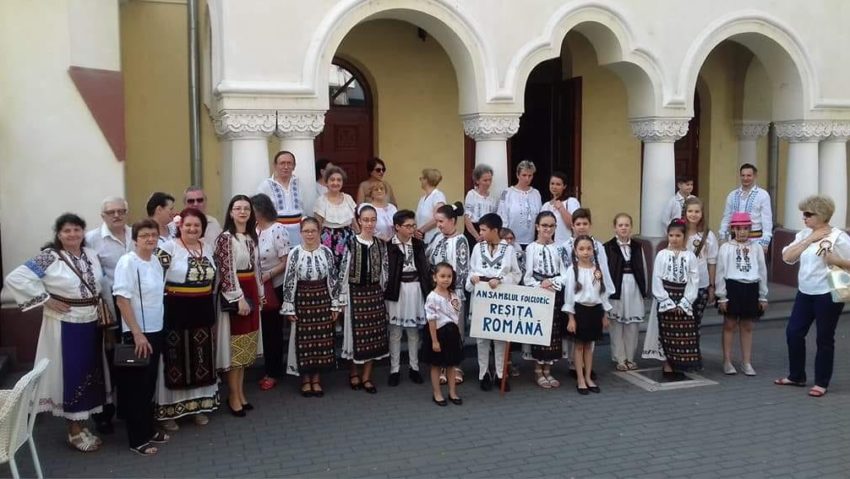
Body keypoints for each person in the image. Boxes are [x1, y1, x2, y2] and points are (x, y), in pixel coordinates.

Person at [4, 213, 108, 452]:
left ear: (83, 232)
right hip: (65, 324)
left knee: (88, 372)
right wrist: (45, 300)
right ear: (58, 235)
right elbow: (15, 278)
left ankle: (81, 425)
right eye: (66, 231)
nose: (72, 234)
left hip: (91, 321)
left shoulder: (90, 254)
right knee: (71, 373)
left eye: (76, 230)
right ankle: (72, 431)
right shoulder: (50, 257)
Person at [776, 195, 850, 398]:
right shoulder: (803, 234)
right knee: (794, 333)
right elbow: (787, 257)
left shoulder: (839, 237)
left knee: (824, 338)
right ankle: (796, 376)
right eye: (803, 214)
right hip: (805, 292)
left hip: (827, 293)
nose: (804, 218)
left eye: (808, 214)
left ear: (822, 215)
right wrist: (810, 238)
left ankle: (821, 382)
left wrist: (837, 260)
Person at [155, 208, 220, 431]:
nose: (192, 229)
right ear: (180, 226)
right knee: (176, 359)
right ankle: (170, 412)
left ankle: (198, 407)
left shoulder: (208, 248)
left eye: (197, 226)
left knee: (200, 358)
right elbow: (155, 278)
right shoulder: (168, 248)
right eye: (188, 225)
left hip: (202, 310)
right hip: (176, 310)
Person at [112, 219, 168, 456]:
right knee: (136, 387)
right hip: (138, 334)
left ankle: (148, 428)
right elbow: (121, 299)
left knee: (149, 385)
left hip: (156, 330)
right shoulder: (127, 262)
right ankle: (137, 439)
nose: (150, 239)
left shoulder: (154, 260)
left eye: (153, 235)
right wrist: (136, 333)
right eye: (144, 235)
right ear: (135, 239)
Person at [85, 196, 132, 434]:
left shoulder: (135, 235)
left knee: (130, 359)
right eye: (111, 212)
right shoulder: (92, 239)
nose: (116, 215)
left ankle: (126, 407)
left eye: (121, 210)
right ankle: (105, 414)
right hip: (107, 310)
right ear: (102, 216)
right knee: (107, 363)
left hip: (133, 309)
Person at [214, 195, 264, 416]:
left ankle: (241, 393)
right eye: (238, 208)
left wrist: (260, 293)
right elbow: (226, 272)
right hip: (238, 294)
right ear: (231, 212)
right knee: (236, 348)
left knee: (245, 348)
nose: (242, 212)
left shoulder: (251, 237)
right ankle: (233, 396)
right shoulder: (226, 239)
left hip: (250, 289)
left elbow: (257, 268)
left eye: (246, 208)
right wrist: (239, 298)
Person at [282, 217, 342, 397]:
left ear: (319, 232)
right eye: (306, 231)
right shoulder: (295, 253)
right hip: (303, 300)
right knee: (304, 341)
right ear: (300, 233)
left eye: (313, 231)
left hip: (322, 299)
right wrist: (289, 306)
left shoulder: (327, 252)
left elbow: (333, 278)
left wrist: (335, 304)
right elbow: (289, 279)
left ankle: (316, 379)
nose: (310, 234)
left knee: (321, 341)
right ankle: (305, 379)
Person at [466, 213, 522, 391]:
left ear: (495, 230)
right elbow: (470, 270)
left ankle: (500, 374)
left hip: (500, 298)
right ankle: (483, 373)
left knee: (499, 337)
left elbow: (516, 274)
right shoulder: (478, 248)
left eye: (483, 229)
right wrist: (473, 279)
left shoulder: (509, 249)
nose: (480, 233)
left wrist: (501, 280)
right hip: (481, 297)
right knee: (482, 339)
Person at [339, 204, 389, 394]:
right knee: (354, 335)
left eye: (372, 220)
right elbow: (344, 271)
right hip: (355, 292)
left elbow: (384, 271)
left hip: (374, 293)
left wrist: (382, 294)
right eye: (366, 220)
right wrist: (342, 298)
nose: (369, 223)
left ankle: (367, 376)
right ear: (359, 221)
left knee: (373, 337)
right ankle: (354, 373)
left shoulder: (380, 244)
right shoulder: (351, 243)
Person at [642, 219, 701, 378]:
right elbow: (657, 278)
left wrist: (684, 303)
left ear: (685, 236)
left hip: (683, 297)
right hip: (666, 297)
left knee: (681, 334)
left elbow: (693, 280)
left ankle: (679, 364)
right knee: (665, 333)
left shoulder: (690, 256)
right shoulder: (662, 255)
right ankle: (667, 365)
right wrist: (666, 301)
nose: (674, 239)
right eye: (671, 235)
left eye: (678, 235)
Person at [716, 212, 768, 376]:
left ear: (750, 229)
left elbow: (762, 271)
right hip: (733, 287)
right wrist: (722, 295)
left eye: (746, 228)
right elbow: (720, 272)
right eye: (739, 228)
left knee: (747, 326)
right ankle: (727, 361)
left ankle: (746, 362)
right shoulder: (726, 248)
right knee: (729, 324)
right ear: (733, 229)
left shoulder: (756, 247)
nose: (742, 232)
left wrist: (763, 295)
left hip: (751, 287)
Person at [522, 211, 569, 389]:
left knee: (553, 333)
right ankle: (538, 370)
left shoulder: (561, 248)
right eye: (544, 226)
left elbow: (565, 274)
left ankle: (548, 370)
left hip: (555, 293)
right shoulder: (531, 248)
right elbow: (527, 277)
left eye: (551, 226)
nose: (548, 229)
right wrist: (540, 285)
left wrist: (554, 282)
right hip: (538, 294)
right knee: (539, 331)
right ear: (537, 227)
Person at [425, 202, 470, 384]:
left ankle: (456, 366)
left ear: (452, 221)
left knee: (455, 330)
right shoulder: (437, 237)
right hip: (437, 292)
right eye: (437, 221)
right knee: (440, 330)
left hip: (453, 293)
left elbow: (462, 268)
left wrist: (450, 292)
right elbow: (429, 257)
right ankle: (442, 365)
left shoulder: (460, 240)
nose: (439, 225)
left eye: (442, 221)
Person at [385, 209, 431, 387]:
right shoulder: (389, 246)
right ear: (397, 227)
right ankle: (394, 369)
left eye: (413, 225)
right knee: (395, 331)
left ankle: (414, 367)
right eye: (408, 226)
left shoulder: (419, 245)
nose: (412, 229)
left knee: (413, 332)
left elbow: (425, 268)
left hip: (415, 289)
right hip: (397, 290)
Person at [251, 193, 291, 391]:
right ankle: (268, 367)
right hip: (258, 285)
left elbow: (285, 261)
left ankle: (273, 371)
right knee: (264, 329)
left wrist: (268, 275)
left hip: (275, 286)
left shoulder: (278, 229)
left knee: (273, 331)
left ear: (261, 210)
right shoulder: (253, 230)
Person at [563, 235, 612, 394]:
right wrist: (571, 317)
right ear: (575, 251)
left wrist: (604, 314)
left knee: (590, 347)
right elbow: (569, 294)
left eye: (589, 248)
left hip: (595, 310)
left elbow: (602, 292)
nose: (585, 252)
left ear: (593, 250)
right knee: (579, 346)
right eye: (581, 249)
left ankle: (588, 376)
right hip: (580, 311)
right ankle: (580, 379)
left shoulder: (597, 270)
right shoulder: (573, 270)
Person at [603, 213, 648, 371]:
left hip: (633, 288)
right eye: (620, 225)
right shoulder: (607, 247)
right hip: (617, 289)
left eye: (626, 225)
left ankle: (630, 357)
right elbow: (605, 271)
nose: (623, 228)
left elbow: (643, 268)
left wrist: (644, 289)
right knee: (617, 325)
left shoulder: (637, 247)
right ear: (615, 227)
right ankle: (619, 358)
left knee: (632, 326)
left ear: (631, 227)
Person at [422, 263, 464, 406]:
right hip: (438, 334)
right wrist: (434, 341)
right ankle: (437, 393)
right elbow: (432, 320)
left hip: (451, 334)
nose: (446, 279)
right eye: (442, 276)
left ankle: (452, 392)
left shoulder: (453, 295)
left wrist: (458, 334)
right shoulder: (432, 297)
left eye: (449, 276)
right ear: (435, 278)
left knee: (451, 365)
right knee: (436, 365)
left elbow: (456, 317)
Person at [719, 163, 773, 252]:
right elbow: (726, 217)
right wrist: (722, 237)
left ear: (755, 176)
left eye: (749, 175)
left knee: (753, 266)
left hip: (755, 240)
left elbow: (767, 221)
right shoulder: (732, 195)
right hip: (734, 240)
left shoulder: (763, 195)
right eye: (743, 175)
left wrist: (765, 242)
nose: (745, 178)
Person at [314, 165, 357, 271]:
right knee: (331, 270)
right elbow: (318, 226)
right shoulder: (321, 201)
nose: (335, 183)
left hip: (349, 238)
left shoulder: (348, 198)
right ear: (326, 182)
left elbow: (354, 222)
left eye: (339, 180)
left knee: (349, 270)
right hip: (328, 240)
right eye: (332, 180)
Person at [257, 150, 304, 247]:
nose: (286, 167)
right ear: (275, 166)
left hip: (298, 232)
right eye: (282, 163)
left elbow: (304, 208)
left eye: (289, 163)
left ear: (294, 166)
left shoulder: (299, 183)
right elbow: (259, 212)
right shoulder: (265, 186)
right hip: (275, 232)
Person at [683, 196, 718, 327]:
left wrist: (712, 286)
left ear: (702, 214)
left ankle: (693, 346)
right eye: (690, 211)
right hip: (681, 284)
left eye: (697, 211)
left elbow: (712, 262)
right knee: (681, 321)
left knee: (695, 321)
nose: (693, 214)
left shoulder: (708, 236)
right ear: (685, 212)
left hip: (701, 284)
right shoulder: (679, 233)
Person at [497, 160, 542, 248]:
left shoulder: (536, 193)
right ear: (518, 175)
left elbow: (540, 217)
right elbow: (502, 216)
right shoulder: (507, 192)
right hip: (511, 241)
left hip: (531, 241)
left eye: (530, 175)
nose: (527, 179)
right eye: (524, 175)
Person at [540, 172, 580, 244]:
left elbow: (574, 224)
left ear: (564, 186)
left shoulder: (571, 202)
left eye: (558, 184)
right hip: (549, 245)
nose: (554, 187)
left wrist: (561, 208)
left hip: (567, 244)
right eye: (552, 183)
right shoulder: (546, 206)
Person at [464, 164, 497, 247]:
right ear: (477, 181)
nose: (488, 183)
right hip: (473, 231)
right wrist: (477, 236)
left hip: (488, 231)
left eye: (490, 180)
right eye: (485, 180)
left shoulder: (492, 198)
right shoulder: (471, 194)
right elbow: (467, 218)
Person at [415, 168, 447, 245]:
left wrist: (421, 231)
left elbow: (438, 217)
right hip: (421, 240)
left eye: (421, 178)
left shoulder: (438, 196)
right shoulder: (423, 198)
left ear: (426, 180)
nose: (420, 181)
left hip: (433, 241)